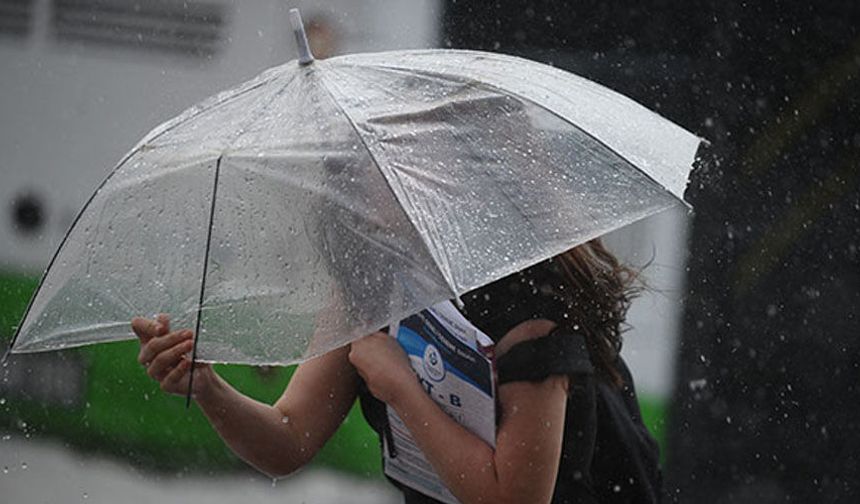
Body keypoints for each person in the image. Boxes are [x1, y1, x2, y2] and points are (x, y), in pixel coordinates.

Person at [132, 239, 661, 504]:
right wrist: (207, 387)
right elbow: (287, 439)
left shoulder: (528, 304)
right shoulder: (370, 282)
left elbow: (512, 501)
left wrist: (402, 390)